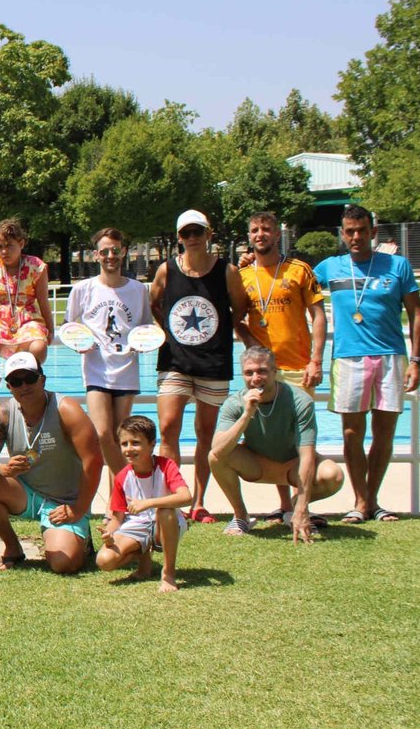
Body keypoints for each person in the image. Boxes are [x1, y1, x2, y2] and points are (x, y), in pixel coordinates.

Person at [312, 206, 420, 523]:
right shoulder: (330, 267)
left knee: (384, 433)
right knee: (351, 433)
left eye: (362, 230)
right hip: (348, 358)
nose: (356, 237)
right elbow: (291, 279)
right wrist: (251, 261)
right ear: (342, 232)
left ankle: (370, 501)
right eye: (349, 231)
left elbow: (416, 314)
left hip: (391, 356)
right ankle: (361, 501)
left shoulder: (397, 266)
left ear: (373, 232)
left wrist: (416, 360)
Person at [150, 209, 250, 523]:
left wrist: (219, 332)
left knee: (206, 433)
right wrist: (166, 329)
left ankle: (199, 501)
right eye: (186, 233)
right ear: (179, 237)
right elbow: (154, 301)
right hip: (174, 360)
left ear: (209, 234)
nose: (192, 238)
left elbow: (241, 305)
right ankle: (174, 500)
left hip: (213, 362)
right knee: (168, 428)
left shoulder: (227, 271)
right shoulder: (167, 270)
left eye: (197, 232)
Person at [0, 352, 104, 573]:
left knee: (64, 564)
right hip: (26, 493)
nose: (24, 386)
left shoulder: (66, 409)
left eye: (30, 378)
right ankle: (13, 548)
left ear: (43, 379)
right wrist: (3, 469)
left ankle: (82, 541)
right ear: (9, 386)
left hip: (65, 500)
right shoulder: (3, 413)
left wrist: (78, 508)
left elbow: (94, 460)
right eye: (16, 381)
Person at [234, 211, 328, 521]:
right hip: (264, 371)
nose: (260, 234)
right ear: (249, 236)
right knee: (273, 438)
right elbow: (236, 320)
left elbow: (318, 315)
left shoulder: (299, 270)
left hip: (299, 366)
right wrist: (252, 347)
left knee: (299, 439)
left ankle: (304, 506)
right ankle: (285, 506)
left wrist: (316, 360)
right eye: (255, 230)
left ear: (277, 234)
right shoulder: (243, 276)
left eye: (266, 229)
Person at [208, 345, 346, 540]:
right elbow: (218, 450)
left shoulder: (300, 400)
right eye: (249, 373)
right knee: (215, 457)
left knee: (333, 475)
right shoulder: (235, 403)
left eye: (262, 371)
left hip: (293, 465)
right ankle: (241, 516)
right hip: (257, 465)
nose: (255, 378)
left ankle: (296, 510)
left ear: (275, 371)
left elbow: (306, 456)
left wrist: (302, 506)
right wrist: (247, 414)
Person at [64, 227, 153, 493]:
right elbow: (69, 326)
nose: (110, 256)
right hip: (96, 370)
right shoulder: (83, 289)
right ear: (96, 255)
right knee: (102, 434)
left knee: (119, 437)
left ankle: (118, 502)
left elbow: (146, 327)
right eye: (105, 251)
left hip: (126, 369)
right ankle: (131, 489)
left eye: (115, 250)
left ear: (124, 252)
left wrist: (144, 343)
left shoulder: (138, 290)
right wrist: (78, 343)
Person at [96, 416, 192, 592]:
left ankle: (168, 573)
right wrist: (109, 534)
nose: (129, 449)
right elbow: (117, 518)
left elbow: (186, 497)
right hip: (137, 525)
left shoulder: (166, 465)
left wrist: (148, 503)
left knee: (165, 511)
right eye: (124, 444)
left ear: (152, 444)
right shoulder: (122, 477)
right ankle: (144, 558)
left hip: (166, 524)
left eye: (136, 443)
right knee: (104, 560)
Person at [0, 218, 54, 400]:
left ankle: (20, 381)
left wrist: (51, 329)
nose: (4, 251)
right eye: (0, 247)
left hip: (27, 316)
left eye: (9, 245)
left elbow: (43, 301)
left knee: (39, 348)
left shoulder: (36, 266)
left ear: (21, 243)